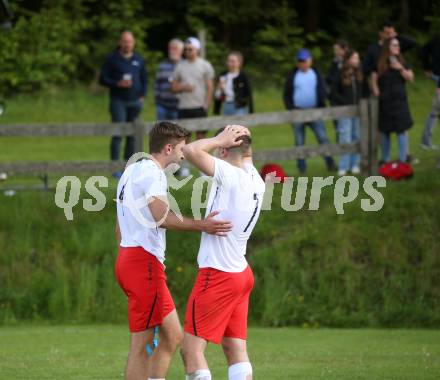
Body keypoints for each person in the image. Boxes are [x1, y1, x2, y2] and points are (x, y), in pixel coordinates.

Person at [115, 121, 233, 380]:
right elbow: (162, 217)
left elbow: (119, 227)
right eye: (181, 149)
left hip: (130, 259)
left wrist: (129, 268)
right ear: (168, 148)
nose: (184, 155)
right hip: (142, 263)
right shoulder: (153, 173)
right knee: (142, 345)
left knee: (173, 335)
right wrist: (202, 225)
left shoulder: (131, 170)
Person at [180, 125, 265, 380]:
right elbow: (246, 154)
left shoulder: (230, 175)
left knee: (190, 349)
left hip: (218, 274)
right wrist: (240, 138)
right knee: (234, 348)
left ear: (225, 151)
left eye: (220, 149)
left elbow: (190, 150)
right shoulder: (255, 178)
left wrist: (219, 139)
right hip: (240, 273)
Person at [99, 31, 148, 174]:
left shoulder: (139, 59)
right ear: (120, 42)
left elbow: (144, 79)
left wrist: (142, 96)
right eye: (125, 41)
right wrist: (117, 83)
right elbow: (102, 79)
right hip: (118, 101)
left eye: (130, 42)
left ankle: (128, 166)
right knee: (118, 132)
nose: (127, 44)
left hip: (135, 102)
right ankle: (115, 167)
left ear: (134, 43)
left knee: (132, 134)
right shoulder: (112, 59)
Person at [283, 48, 336, 174]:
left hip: (314, 111)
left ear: (310, 60)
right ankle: (302, 168)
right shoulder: (293, 75)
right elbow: (286, 94)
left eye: (305, 60)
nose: (302, 63)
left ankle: (330, 163)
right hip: (298, 112)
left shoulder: (316, 73)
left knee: (322, 138)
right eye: (300, 60)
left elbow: (323, 90)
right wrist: (291, 108)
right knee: (299, 141)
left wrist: (321, 106)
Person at [371, 38, 414, 163]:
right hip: (385, 103)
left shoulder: (402, 62)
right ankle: (385, 160)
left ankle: (402, 160)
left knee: (401, 130)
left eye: (398, 45)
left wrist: (400, 68)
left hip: (399, 102)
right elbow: (373, 79)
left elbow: (411, 78)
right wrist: (376, 90)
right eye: (395, 45)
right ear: (387, 47)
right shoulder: (379, 63)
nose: (398, 47)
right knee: (385, 132)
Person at [171, 37, 215, 140]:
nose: (187, 51)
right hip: (184, 107)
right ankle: (186, 157)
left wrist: (206, 104)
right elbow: (173, 88)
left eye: (190, 49)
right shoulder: (179, 66)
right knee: (184, 138)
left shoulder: (205, 65)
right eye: (185, 49)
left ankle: (199, 157)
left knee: (200, 137)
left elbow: (210, 87)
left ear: (197, 50)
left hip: (199, 107)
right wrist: (183, 87)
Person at [331, 49, 364, 175]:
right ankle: (343, 166)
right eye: (355, 58)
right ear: (348, 60)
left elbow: (363, 90)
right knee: (345, 137)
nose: (357, 61)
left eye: (358, 58)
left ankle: (354, 164)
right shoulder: (340, 74)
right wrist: (345, 102)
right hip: (345, 111)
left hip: (358, 111)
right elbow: (333, 93)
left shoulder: (359, 74)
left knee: (356, 136)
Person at [214, 51, 254, 116]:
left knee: (238, 125)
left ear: (239, 63)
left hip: (239, 108)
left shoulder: (243, 77)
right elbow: (218, 96)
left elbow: (248, 95)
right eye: (228, 61)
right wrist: (219, 89)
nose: (230, 64)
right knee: (227, 126)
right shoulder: (223, 75)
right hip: (226, 106)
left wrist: (251, 111)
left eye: (232, 61)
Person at [155, 39, 184, 121]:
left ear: (181, 51)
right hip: (162, 105)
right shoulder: (162, 65)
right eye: (170, 48)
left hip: (178, 106)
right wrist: (158, 100)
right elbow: (157, 84)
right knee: (161, 131)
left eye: (175, 49)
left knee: (176, 132)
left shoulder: (185, 65)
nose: (172, 51)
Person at [421, 35, 440, 150]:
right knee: (435, 112)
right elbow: (424, 50)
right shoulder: (436, 40)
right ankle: (425, 141)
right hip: (438, 76)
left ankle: (426, 141)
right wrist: (426, 67)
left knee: (435, 112)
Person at [326, 39, 349, 103]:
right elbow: (328, 78)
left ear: (345, 50)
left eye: (338, 50)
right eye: (334, 50)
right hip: (335, 98)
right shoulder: (334, 63)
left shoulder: (350, 63)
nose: (335, 52)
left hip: (347, 97)